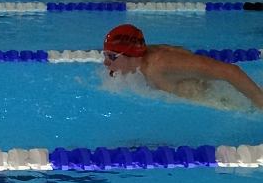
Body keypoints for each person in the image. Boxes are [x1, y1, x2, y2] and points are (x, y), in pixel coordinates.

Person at [103, 24, 263, 109]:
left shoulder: (160, 65)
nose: (106, 63)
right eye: (105, 55)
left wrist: (259, 102)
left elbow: (230, 71)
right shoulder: (138, 61)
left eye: (111, 57)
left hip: (225, 103)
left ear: (132, 56)